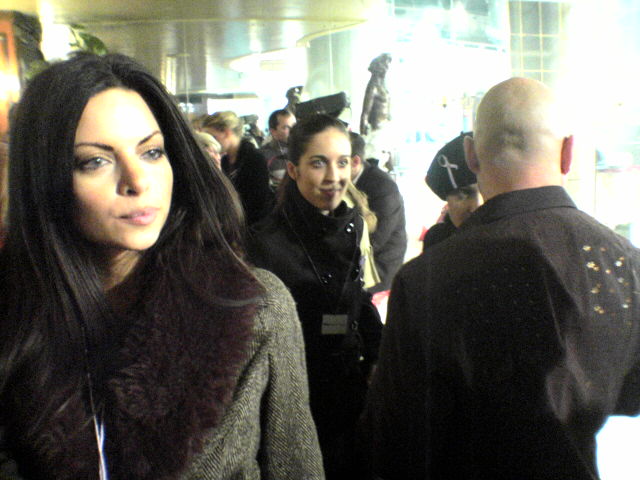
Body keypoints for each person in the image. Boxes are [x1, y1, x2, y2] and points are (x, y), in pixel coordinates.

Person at [0, 53, 324, 480]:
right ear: (46, 179)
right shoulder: (17, 317)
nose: (138, 181)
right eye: (95, 161)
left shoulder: (252, 306)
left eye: (152, 152)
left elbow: (296, 465)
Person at [362, 77, 640, 479]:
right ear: (568, 153)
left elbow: (395, 443)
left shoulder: (425, 279)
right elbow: (630, 395)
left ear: (471, 155)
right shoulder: (622, 263)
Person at [249, 114, 383, 479]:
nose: (333, 177)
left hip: (349, 390)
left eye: (342, 162)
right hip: (295, 402)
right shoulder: (264, 244)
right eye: (319, 163)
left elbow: (358, 296)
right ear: (293, 170)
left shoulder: (353, 224)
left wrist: (377, 352)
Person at [350, 131, 406, 294]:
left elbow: (374, 241)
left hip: (379, 266)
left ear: (355, 162)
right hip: (358, 257)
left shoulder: (383, 188)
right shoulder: (346, 181)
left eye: (340, 162)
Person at [202, 111, 273, 225]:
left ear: (226, 132)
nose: (212, 142)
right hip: (232, 223)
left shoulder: (255, 158)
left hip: (251, 225)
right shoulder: (223, 160)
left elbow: (258, 203)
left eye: (214, 137)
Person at [423, 131, 482, 250]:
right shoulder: (437, 243)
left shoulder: (518, 246)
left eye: (487, 192)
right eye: (463, 195)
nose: (477, 206)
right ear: (447, 203)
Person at [259, 109, 297, 190]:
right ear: (273, 132)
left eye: (295, 125)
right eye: (286, 127)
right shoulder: (263, 156)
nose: (293, 130)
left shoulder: (305, 148)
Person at [360, 53, 392, 137]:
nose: (387, 68)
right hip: (377, 131)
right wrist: (362, 136)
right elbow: (365, 113)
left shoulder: (383, 86)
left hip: (387, 129)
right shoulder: (373, 87)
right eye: (385, 65)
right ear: (379, 67)